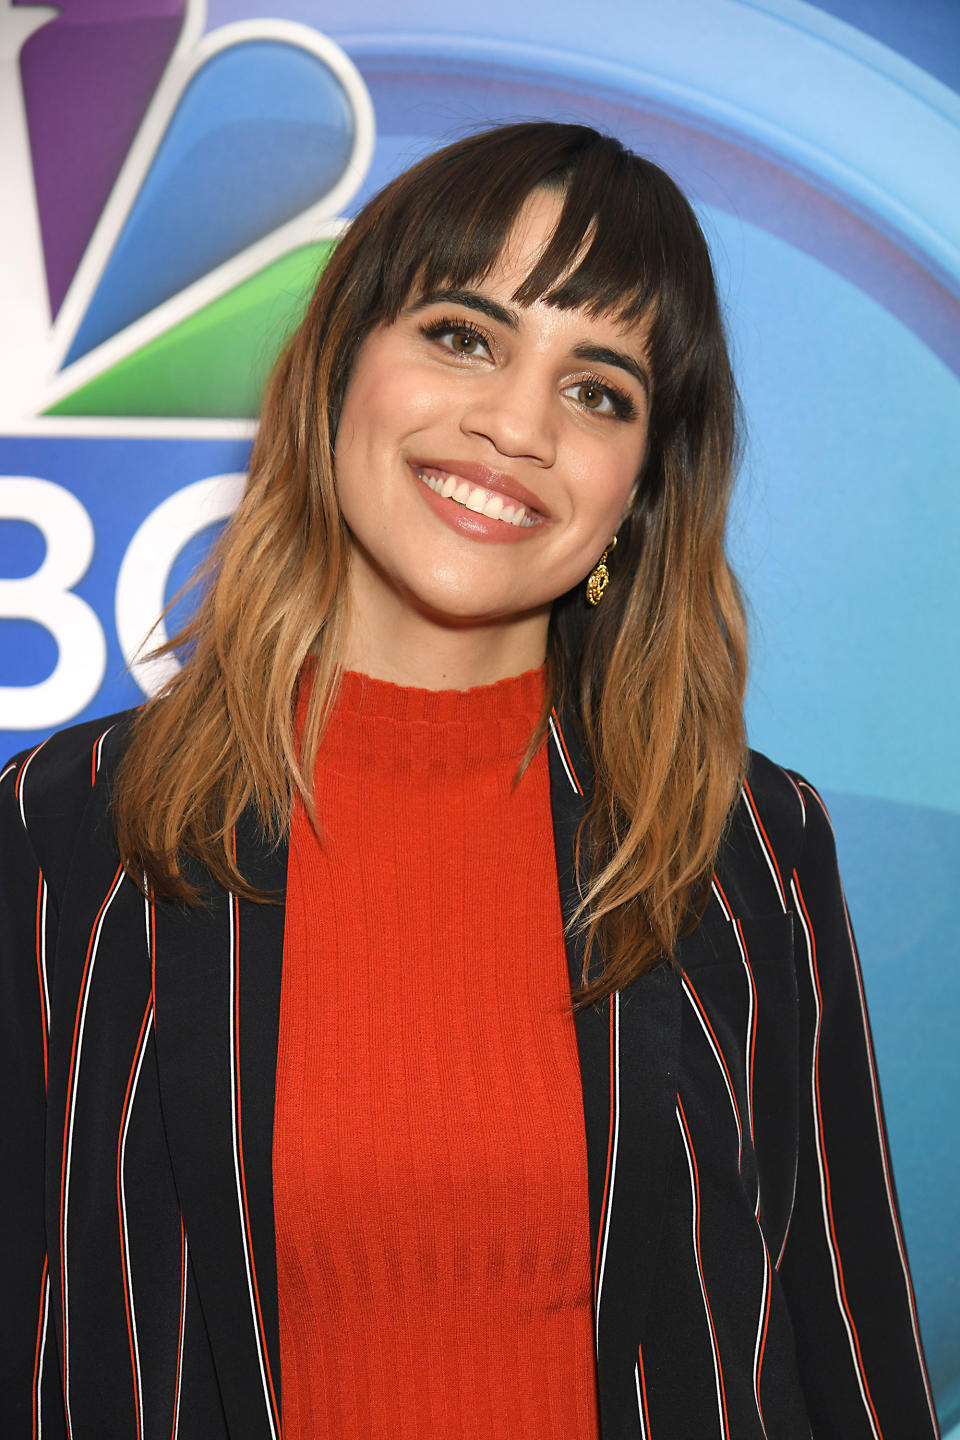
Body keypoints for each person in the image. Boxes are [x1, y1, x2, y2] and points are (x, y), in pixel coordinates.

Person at [0, 122, 939, 1440]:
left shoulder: (746, 848)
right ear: (336, 368)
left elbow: (845, 1356)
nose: (515, 426)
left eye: (598, 389)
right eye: (463, 335)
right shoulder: (68, 825)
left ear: (639, 492)